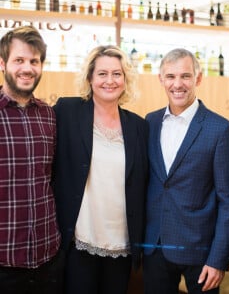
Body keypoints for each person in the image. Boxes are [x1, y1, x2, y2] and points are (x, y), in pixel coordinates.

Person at [52, 45, 148, 294]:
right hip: (79, 240)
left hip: (121, 243)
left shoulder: (139, 126)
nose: (110, 81)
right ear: (90, 78)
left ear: (126, 80)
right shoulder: (67, 111)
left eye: (117, 74)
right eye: (102, 73)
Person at [143, 48, 229, 294]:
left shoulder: (221, 130)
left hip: (201, 253)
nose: (178, 84)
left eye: (185, 76)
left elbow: (228, 201)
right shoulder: (149, 123)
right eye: (171, 77)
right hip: (154, 246)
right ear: (161, 79)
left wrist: (218, 259)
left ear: (198, 79)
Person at [0, 26, 63, 293]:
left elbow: (52, 178)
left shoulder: (49, 115)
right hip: (4, 262)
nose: (27, 68)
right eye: (19, 60)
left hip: (48, 256)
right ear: (2, 63)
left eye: (34, 61)